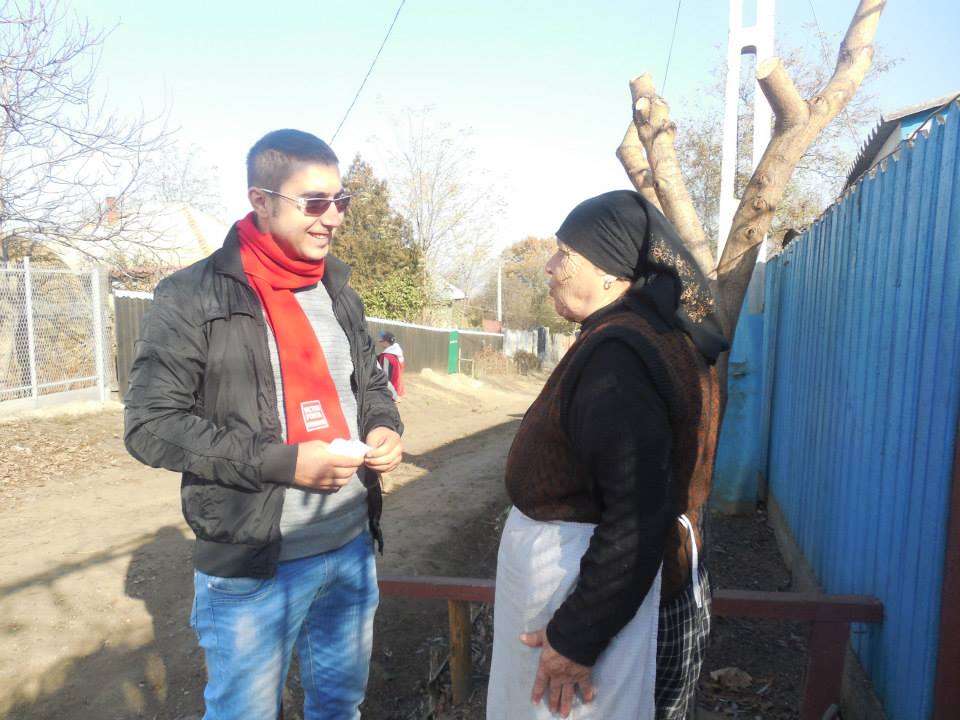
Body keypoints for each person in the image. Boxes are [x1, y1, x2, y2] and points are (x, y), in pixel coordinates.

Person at [124, 129, 403, 720]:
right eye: (315, 202)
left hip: (350, 548)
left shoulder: (339, 291)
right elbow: (151, 425)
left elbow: (371, 385)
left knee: (340, 709)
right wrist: (282, 462)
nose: (333, 218)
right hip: (254, 566)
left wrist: (384, 427)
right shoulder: (192, 295)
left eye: (341, 200)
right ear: (261, 200)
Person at [486, 190, 727, 720]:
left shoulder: (620, 356)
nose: (550, 267)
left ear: (611, 275)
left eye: (564, 253)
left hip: (591, 591)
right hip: (607, 579)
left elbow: (636, 516)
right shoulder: (644, 335)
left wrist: (577, 637)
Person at [376, 330, 405, 401]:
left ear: (386, 342)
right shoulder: (397, 353)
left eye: (381, 341)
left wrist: (393, 396)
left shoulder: (387, 357)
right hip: (398, 389)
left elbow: (385, 379)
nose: (380, 343)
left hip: (391, 394)